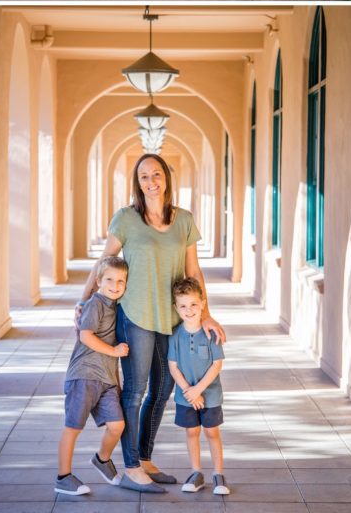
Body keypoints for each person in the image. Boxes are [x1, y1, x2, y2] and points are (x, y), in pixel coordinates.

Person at [77, 153, 226, 494]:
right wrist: (84, 300)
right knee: (135, 390)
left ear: (166, 179)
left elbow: (194, 271)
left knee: (163, 391)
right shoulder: (126, 219)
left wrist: (206, 314)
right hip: (137, 315)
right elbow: (103, 262)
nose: (150, 181)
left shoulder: (184, 220)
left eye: (156, 174)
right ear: (137, 182)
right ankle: (130, 466)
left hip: (171, 317)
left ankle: (143, 457)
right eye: (143, 176)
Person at [55, 256, 129, 497]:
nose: (115, 285)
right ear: (98, 281)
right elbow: (85, 336)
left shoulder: (115, 306)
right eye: (109, 279)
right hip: (84, 375)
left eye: (121, 281)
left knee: (117, 425)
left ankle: (102, 459)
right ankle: (63, 477)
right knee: (73, 427)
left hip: (107, 379)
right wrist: (114, 351)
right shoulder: (95, 304)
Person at [168, 277, 229, 495]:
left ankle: (218, 474)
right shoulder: (175, 336)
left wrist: (199, 390)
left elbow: (217, 365)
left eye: (194, 304)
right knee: (192, 432)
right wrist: (189, 392)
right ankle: (196, 473)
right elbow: (174, 367)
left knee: (212, 432)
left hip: (210, 395)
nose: (189, 310)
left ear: (202, 303)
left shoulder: (211, 333)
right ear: (176, 308)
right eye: (183, 306)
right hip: (186, 396)